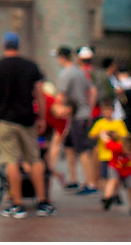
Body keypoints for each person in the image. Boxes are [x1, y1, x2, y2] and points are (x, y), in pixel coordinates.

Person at [0, 31, 56, 218]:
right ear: (18, 46)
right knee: (35, 160)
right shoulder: (31, 66)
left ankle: (17, 204)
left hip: (6, 119)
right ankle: (43, 203)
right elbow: (39, 93)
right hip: (27, 120)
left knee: (11, 160)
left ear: (4, 46)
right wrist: (41, 117)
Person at [54, 46, 98, 196]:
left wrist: (53, 108)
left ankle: (91, 183)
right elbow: (92, 90)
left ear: (61, 57)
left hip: (77, 116)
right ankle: (73, 179)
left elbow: (61, 96)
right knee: (69, 147)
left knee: (83, 149)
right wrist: (89, 109)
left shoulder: (66, 74)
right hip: (81, 114)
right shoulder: (79, 71)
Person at [88, 96, 128, 190]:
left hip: (116, 155)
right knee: (105, 175)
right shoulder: (100, 123)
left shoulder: (118, 123)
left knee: (116, 175)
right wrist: (101, 134)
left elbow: (125, 136)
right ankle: (107, 193)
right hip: (104, 154)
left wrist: (116, 135)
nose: (107, 113)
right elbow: (91, 135)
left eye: (109, 110)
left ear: (113, 111)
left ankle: (115, 192)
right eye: (105, 111)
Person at [100, 132, 131, 215]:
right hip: (115, 167)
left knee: (130, 187)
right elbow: (107, 141)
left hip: (128, 170)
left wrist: (121, 136)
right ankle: (107, 198)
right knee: (113, 180)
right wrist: (104, 134)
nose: (128, 153)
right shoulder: (117, 147)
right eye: (126, 152)